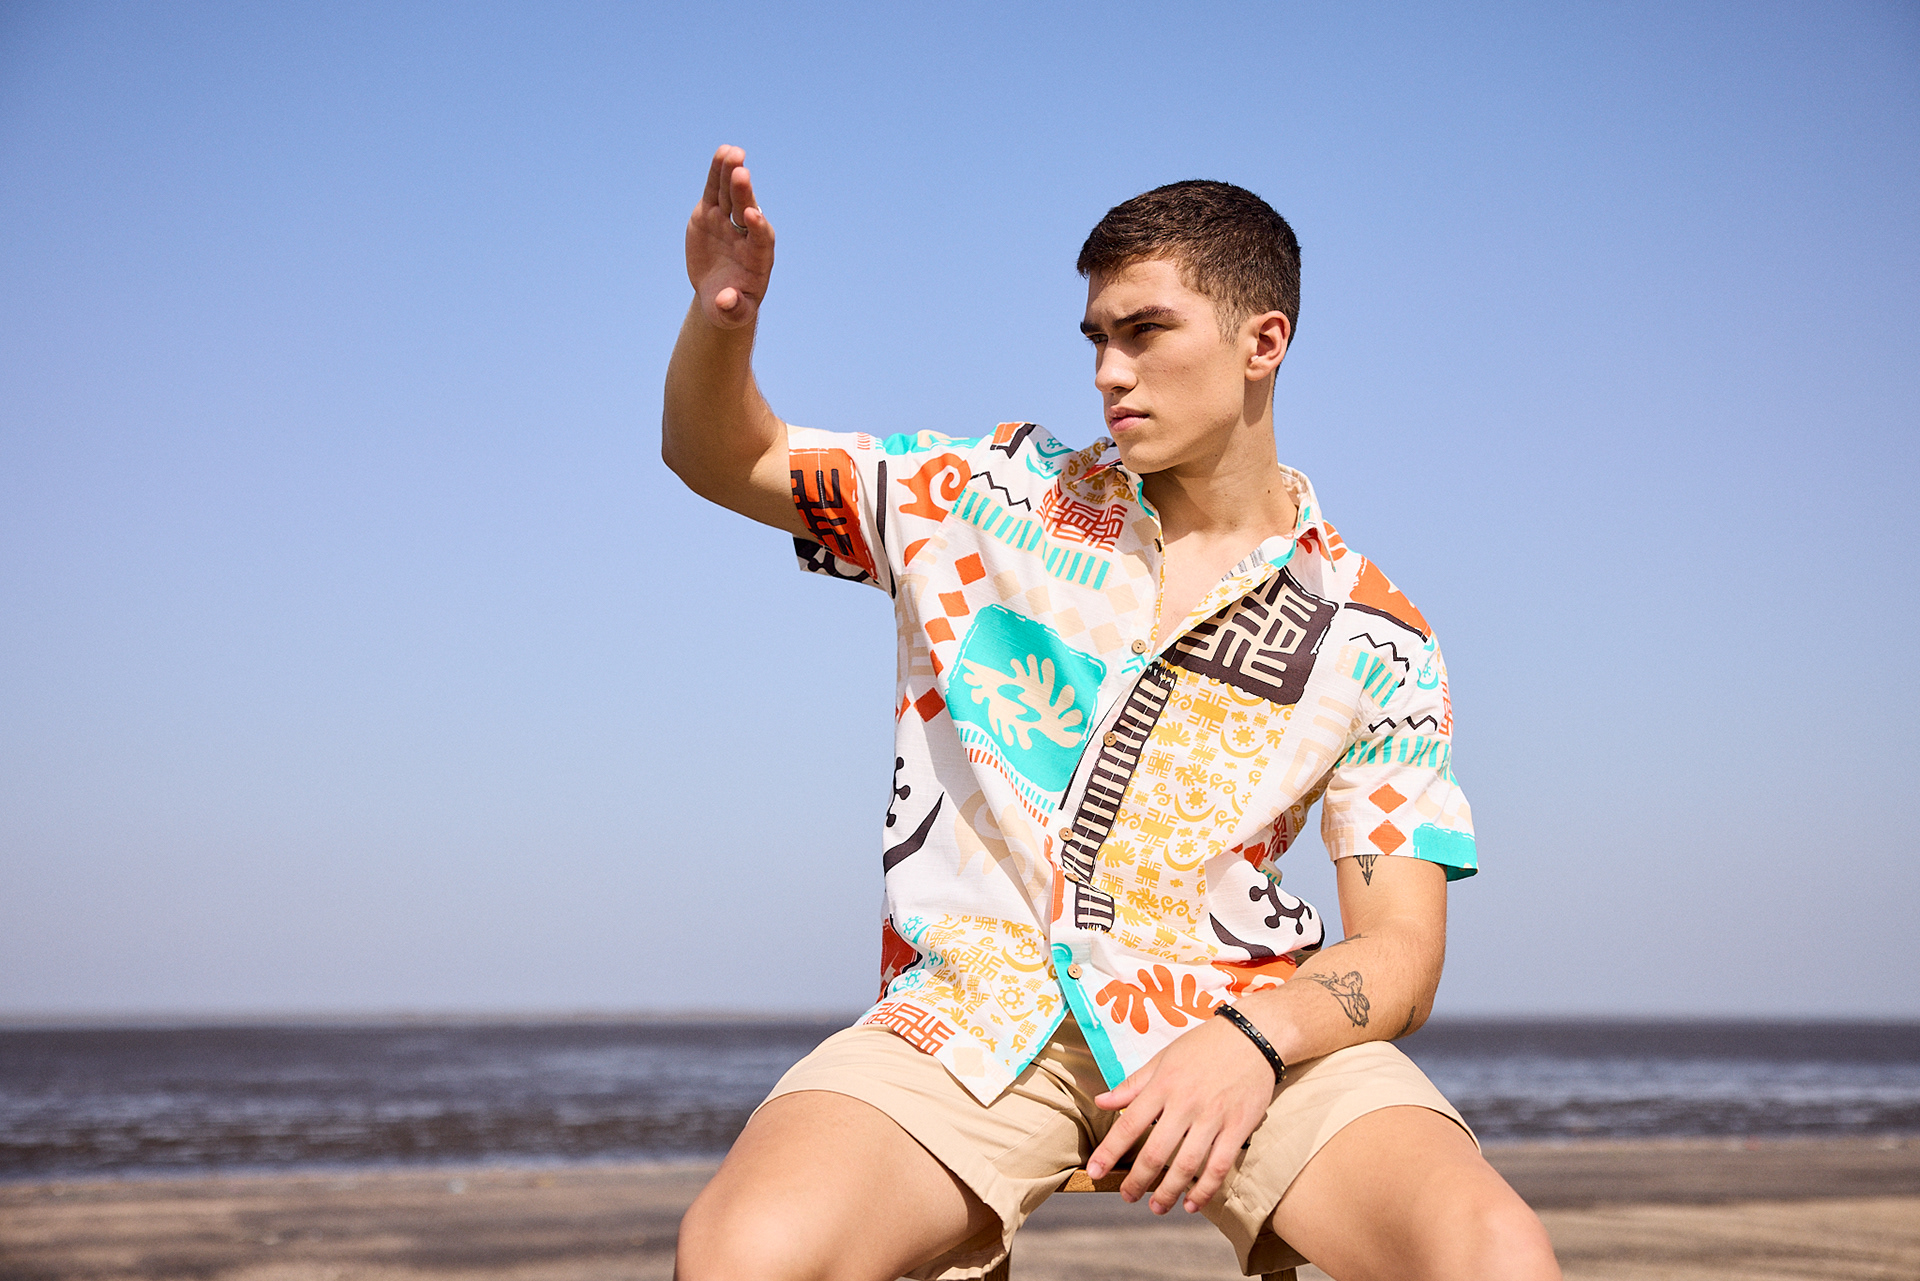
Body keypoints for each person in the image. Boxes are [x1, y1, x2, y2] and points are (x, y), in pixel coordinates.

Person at [663, 145, 1561, 1281]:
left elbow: (1402, 952)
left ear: (1263, 343)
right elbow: (724, 454)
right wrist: (725, 318)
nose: (1108, 372)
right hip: (976, 1012)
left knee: (1492, 1255)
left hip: (1243, 1016)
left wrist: (1254, 1041)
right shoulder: (986, 496)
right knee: (744, 1252)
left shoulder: (1375, 635)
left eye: (1145, 332)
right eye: (1096, 337)